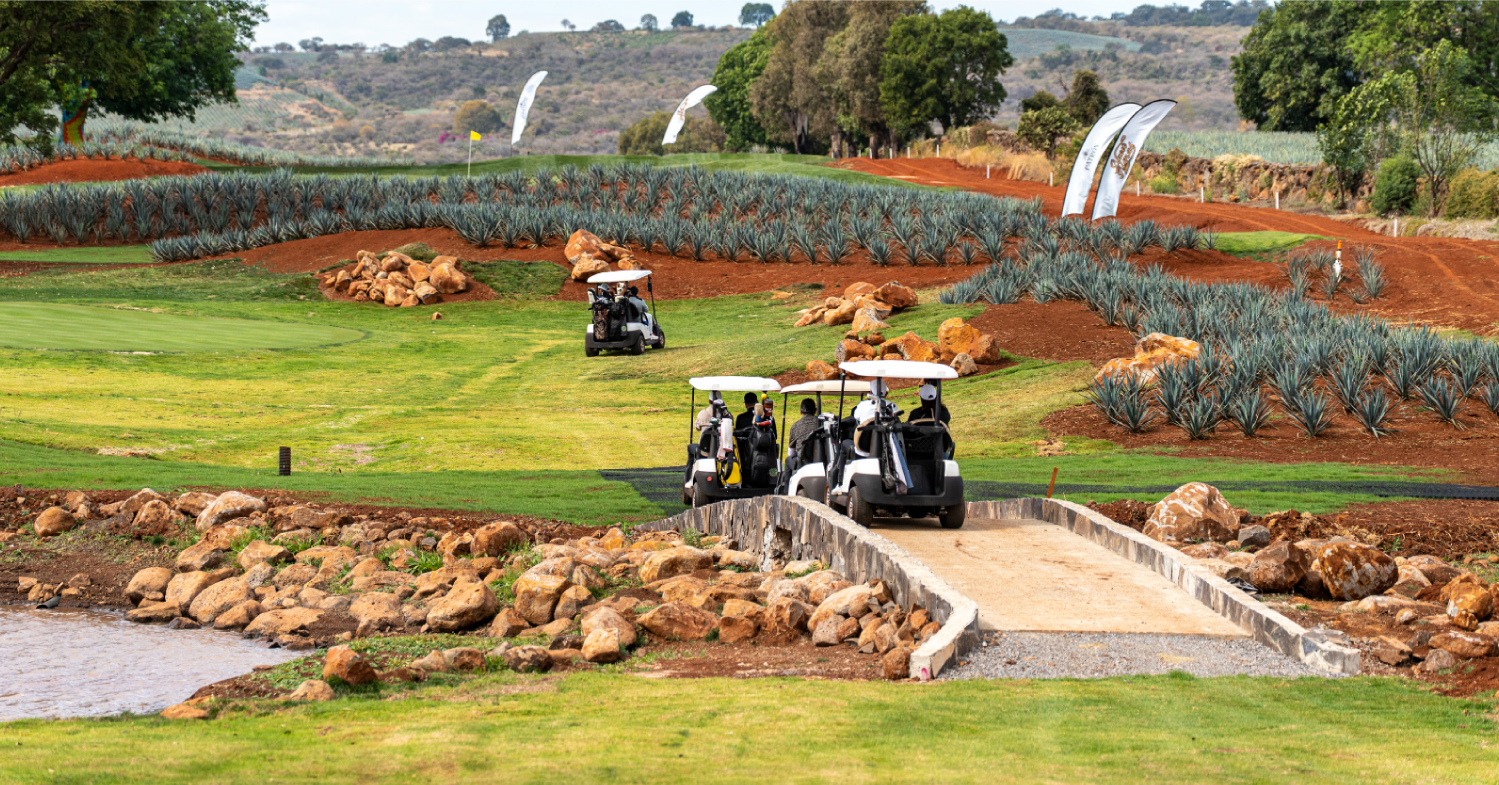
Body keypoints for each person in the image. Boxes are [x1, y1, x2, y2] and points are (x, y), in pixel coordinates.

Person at [788, 398, 820, 465]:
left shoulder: (795, 427)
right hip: (820, 460)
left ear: (800, 410)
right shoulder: (822, 424)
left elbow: (791, 453)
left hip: (802, 462)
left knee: (788, 460)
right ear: (815, 410)